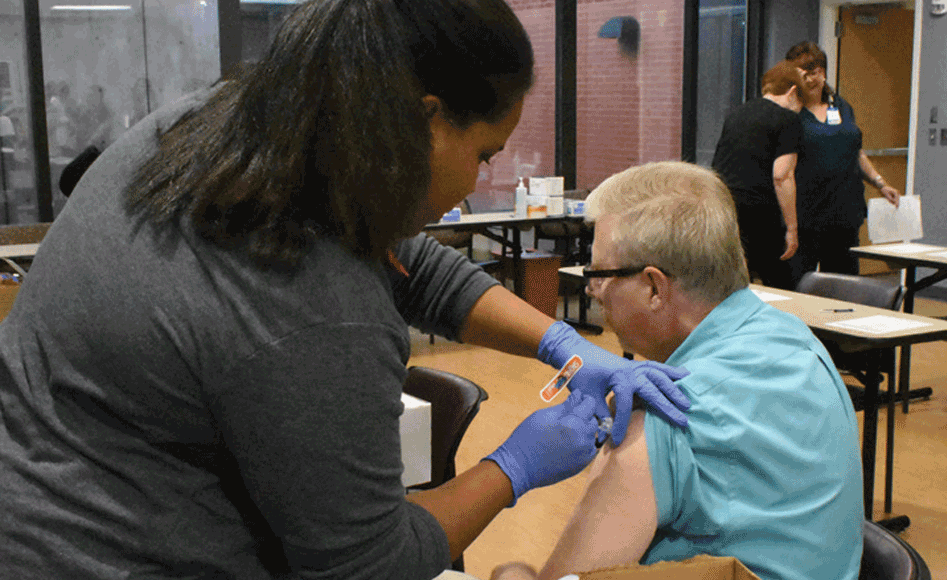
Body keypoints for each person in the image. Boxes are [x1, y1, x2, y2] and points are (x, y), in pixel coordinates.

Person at [0, 2, 691, 579]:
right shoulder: (309, 303)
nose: (477, 183)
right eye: (482, 153)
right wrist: (513, 467)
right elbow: (365, 566)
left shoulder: (221, 126)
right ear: (420, 122)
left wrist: (558, 341)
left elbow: (407, 260)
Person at [490, 162, 864, 580]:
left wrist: (511, 573)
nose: (593, 292)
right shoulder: (800, 341)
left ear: (653, 288)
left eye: (598, 276)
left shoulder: (661, 415)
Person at [785, 41, 900, 286]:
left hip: (844, 212)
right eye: (802, 73)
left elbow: (855, 151)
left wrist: (880, 182)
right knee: (798, 283)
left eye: (814, 72)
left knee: (843, 285)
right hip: (807, 215)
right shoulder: (790, 112)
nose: (809, 79)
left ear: (823, 72)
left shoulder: (842, 106)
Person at [711, 60, 804, 290]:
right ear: (793, 92)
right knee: (782, 282)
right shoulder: (788, 119)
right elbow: (782, 175)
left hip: (725, 205)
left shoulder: (736, 114)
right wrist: (792, 229)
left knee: (735, 283)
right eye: (801, 102)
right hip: (760, 211)